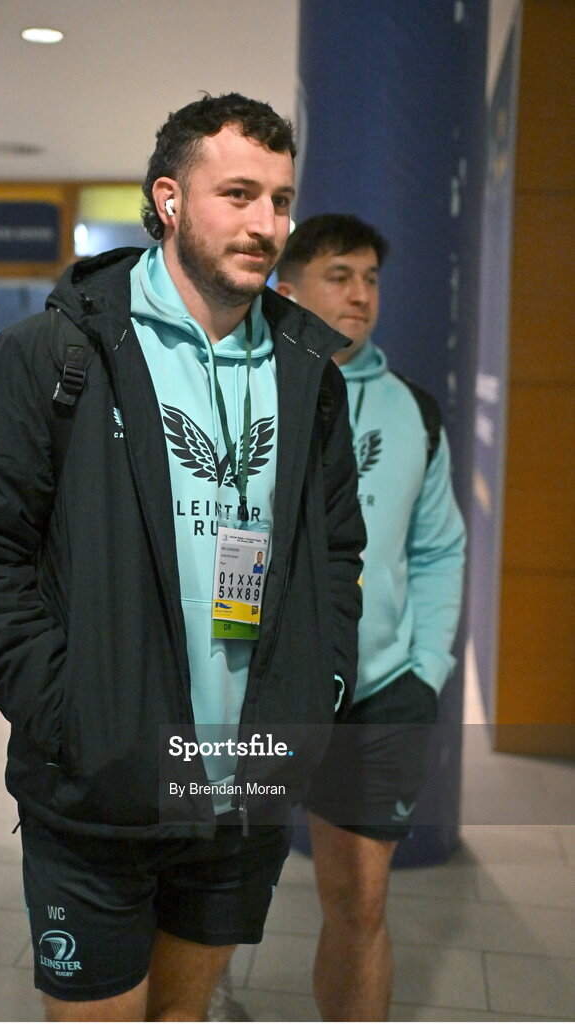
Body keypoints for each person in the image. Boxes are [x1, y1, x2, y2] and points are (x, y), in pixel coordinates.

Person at [0, 95, 365, 1022]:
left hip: (244, 779)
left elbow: (336, 549)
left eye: (280, 200)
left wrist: (314, 689)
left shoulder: (307, 376)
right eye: (237, 193)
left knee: (183, 1017)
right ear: (168, 199)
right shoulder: (56, 351)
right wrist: (75, 711)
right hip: (101, 786)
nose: (266, 224)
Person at [276, 213, 466, 1021]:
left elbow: (440, 548)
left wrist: (425, 670)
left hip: (380, 693)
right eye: (338, 275)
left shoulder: (413, 412)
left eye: (370, 278)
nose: (360, 294)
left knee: (360, 902)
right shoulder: (244, 391)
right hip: (256, 688)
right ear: (288, 289)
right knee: (197, 885)